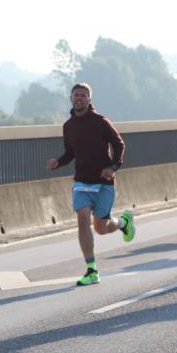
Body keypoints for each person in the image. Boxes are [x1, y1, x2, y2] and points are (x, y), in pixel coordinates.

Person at [48, 83, 135, 285]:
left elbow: (119, 144)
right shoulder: (68, 126)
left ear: (89, 99)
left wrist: (113, 167)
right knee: (82, 218)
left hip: (103, 182)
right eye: (76, 95)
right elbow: (70, 152)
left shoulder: (101, 122)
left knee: (101, 228)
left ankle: (123, 222)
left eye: (83, 95)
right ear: (71, 98)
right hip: (81, 182)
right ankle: (91, 270)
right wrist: (58, 162)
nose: (79, 98)